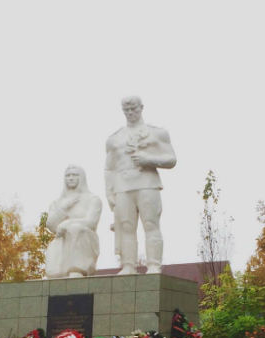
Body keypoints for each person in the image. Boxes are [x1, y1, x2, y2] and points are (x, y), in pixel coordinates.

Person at [104, 96, 177, 274]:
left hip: (147, 184)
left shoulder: (157, 133)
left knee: (151, 224)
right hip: (123, 187)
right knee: (126, 227)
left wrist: (149, 159)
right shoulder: (114, 138)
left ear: (141, 108)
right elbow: (109, 168)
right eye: (126, 110)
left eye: (133, 109)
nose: (130, 113)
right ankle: (128, 265)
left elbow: (171, 159)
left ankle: (153, 265)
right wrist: (109, 193)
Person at [43, 165, 102, 279]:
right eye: (68, 175)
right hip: (62, 241)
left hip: (85, 238)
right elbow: (50, 225)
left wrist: (67, 224)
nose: (70, 178)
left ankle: (77, 269)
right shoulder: (57, 202)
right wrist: (64, 208)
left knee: (75, 229)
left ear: (82, 178)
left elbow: (91, 222)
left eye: (74, 175)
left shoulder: (92, 199)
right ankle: (58, 271)